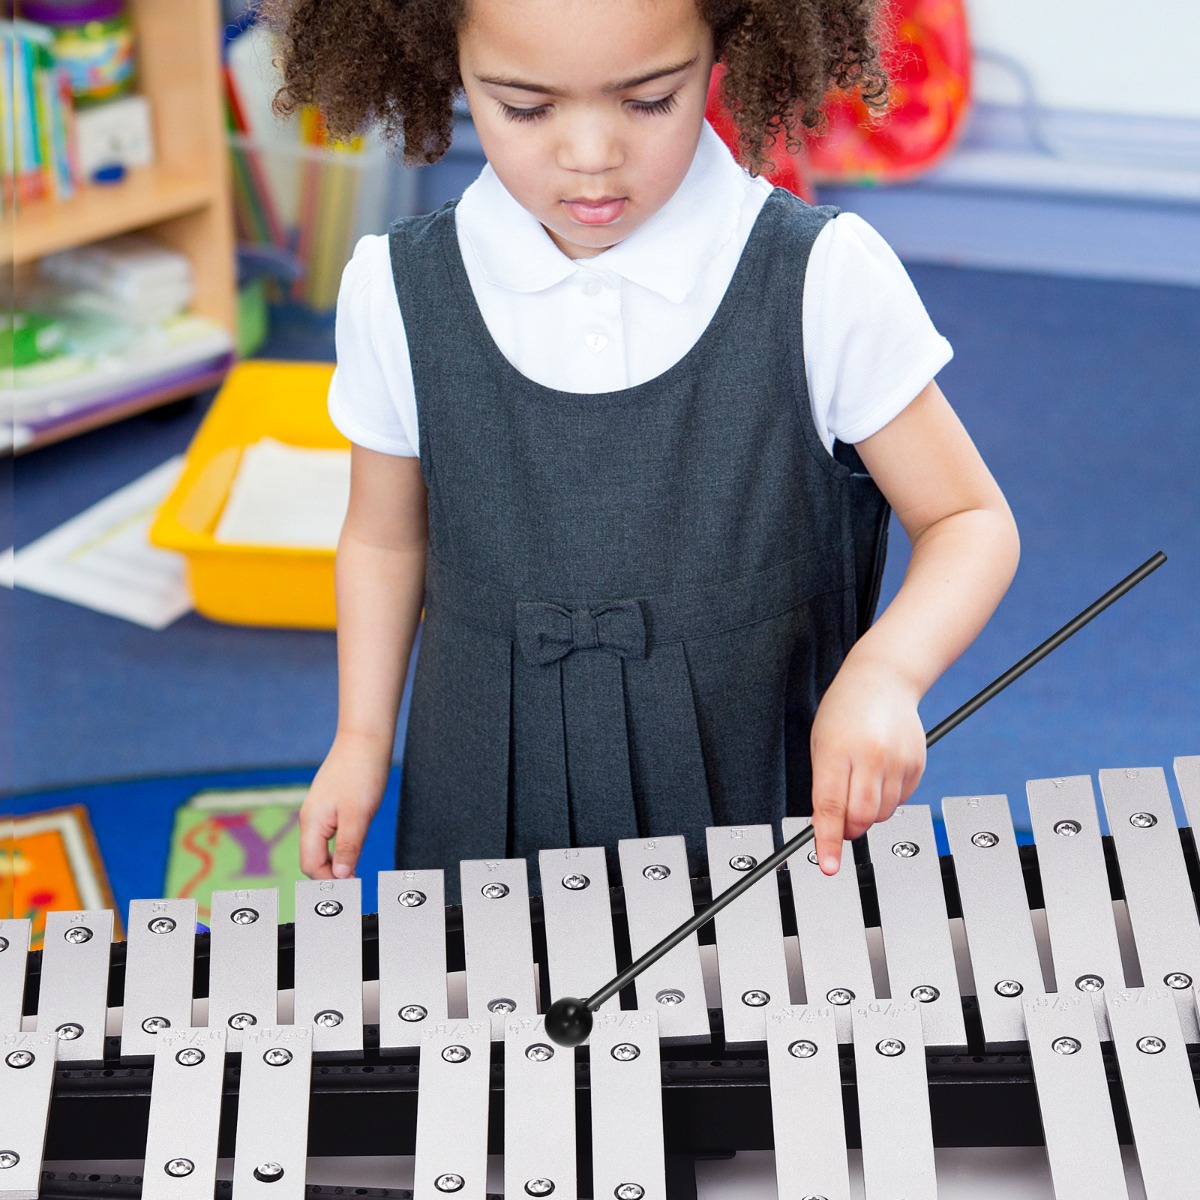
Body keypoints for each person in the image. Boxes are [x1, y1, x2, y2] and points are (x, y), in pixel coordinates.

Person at [260, 0, 1020, 899]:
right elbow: (386, 538)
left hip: (755, 791)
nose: (590, 156)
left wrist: (889, 674)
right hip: (481, 784)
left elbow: (968, 519)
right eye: (526, 108)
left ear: (725, 47)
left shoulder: (823, 278)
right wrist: (360, 739)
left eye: (650, 100)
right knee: (492, 1013)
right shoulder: (395, 287)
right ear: (440, 56)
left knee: (748, 1021)